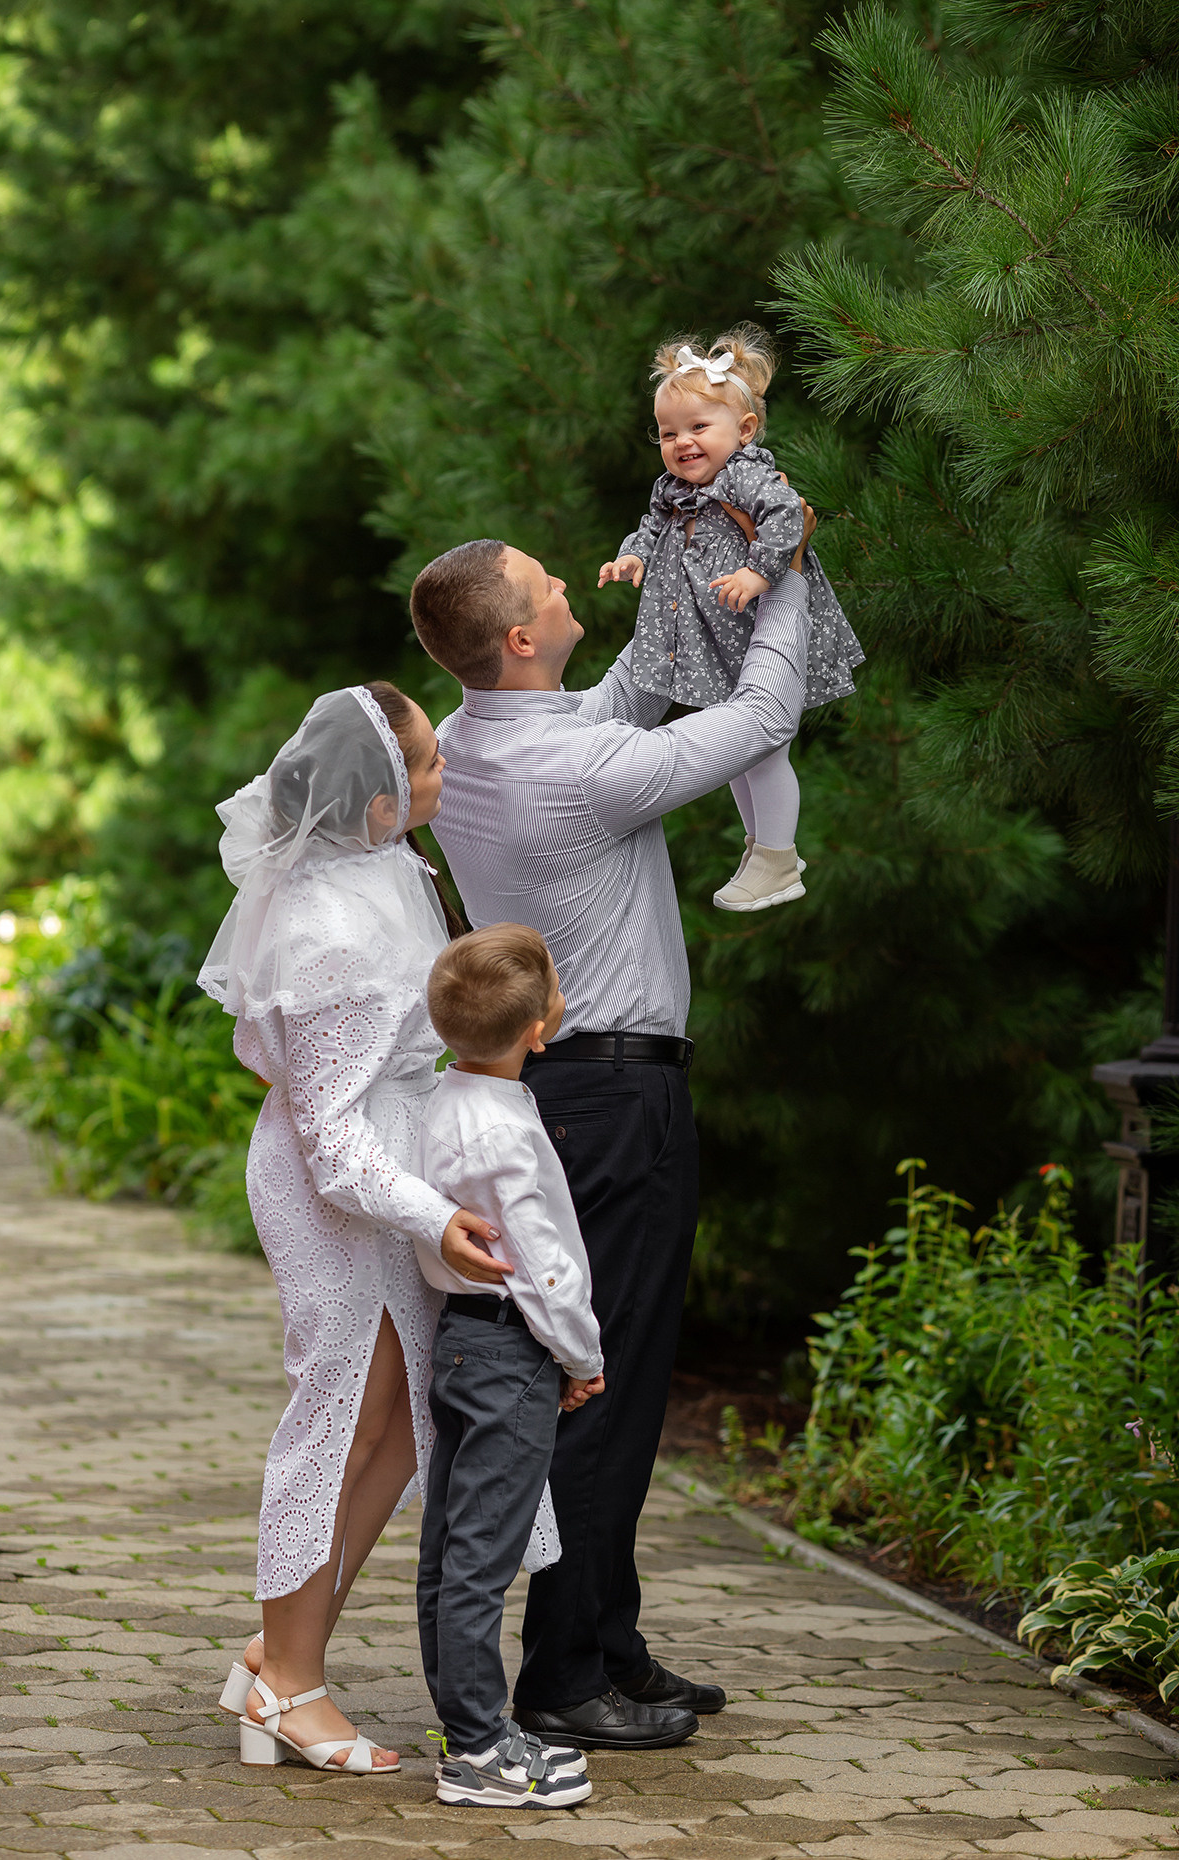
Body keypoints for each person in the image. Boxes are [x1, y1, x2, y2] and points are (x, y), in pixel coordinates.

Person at [407, 504, 816, 1750]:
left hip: (559, 1092)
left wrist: (702, 547)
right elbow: (764, 714)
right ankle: (563, 1676)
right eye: (545, 583)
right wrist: (791, 575)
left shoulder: (476, 745)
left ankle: (609, 1640)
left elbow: (635, 680)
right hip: (615, 1100)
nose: (564, 582)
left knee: (611, 1381)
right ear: (524, 639)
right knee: (605, 1386)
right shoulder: (580, 770)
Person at [195, 681, 518, 1774]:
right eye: (427, 763)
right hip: (337, 1189)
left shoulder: (385, 864)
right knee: (337, 1419)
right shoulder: (327, 929)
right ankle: (289, 1688)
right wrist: (440, 1213)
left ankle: (281, 1652)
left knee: (396, 1424)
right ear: (379, 801)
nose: (442, 771)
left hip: (391, 1168)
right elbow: (330, 1137)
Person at [412, 924, 605, 1809]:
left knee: (452, 1544)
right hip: (510, 1349)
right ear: (538, 1028)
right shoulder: (502, 1132)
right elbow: (542, 1262)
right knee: (481, 1557)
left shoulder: (445, 1100)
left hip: (462, 1341)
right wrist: (580, 1354)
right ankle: (478, 1749)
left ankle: (469, 1727)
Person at [600, 325, 863, 912]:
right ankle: (759, 848)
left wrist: (759, 573)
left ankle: (778, 856)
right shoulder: (670, 487)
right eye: (669, 432)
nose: (682, 443)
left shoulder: (745, 474)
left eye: (698, 428)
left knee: (763, 749)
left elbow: (788, 515)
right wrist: (632, 556)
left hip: (751, 629)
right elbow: (650, 527)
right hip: (713, 637)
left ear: (743, 431)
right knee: (735, 752)